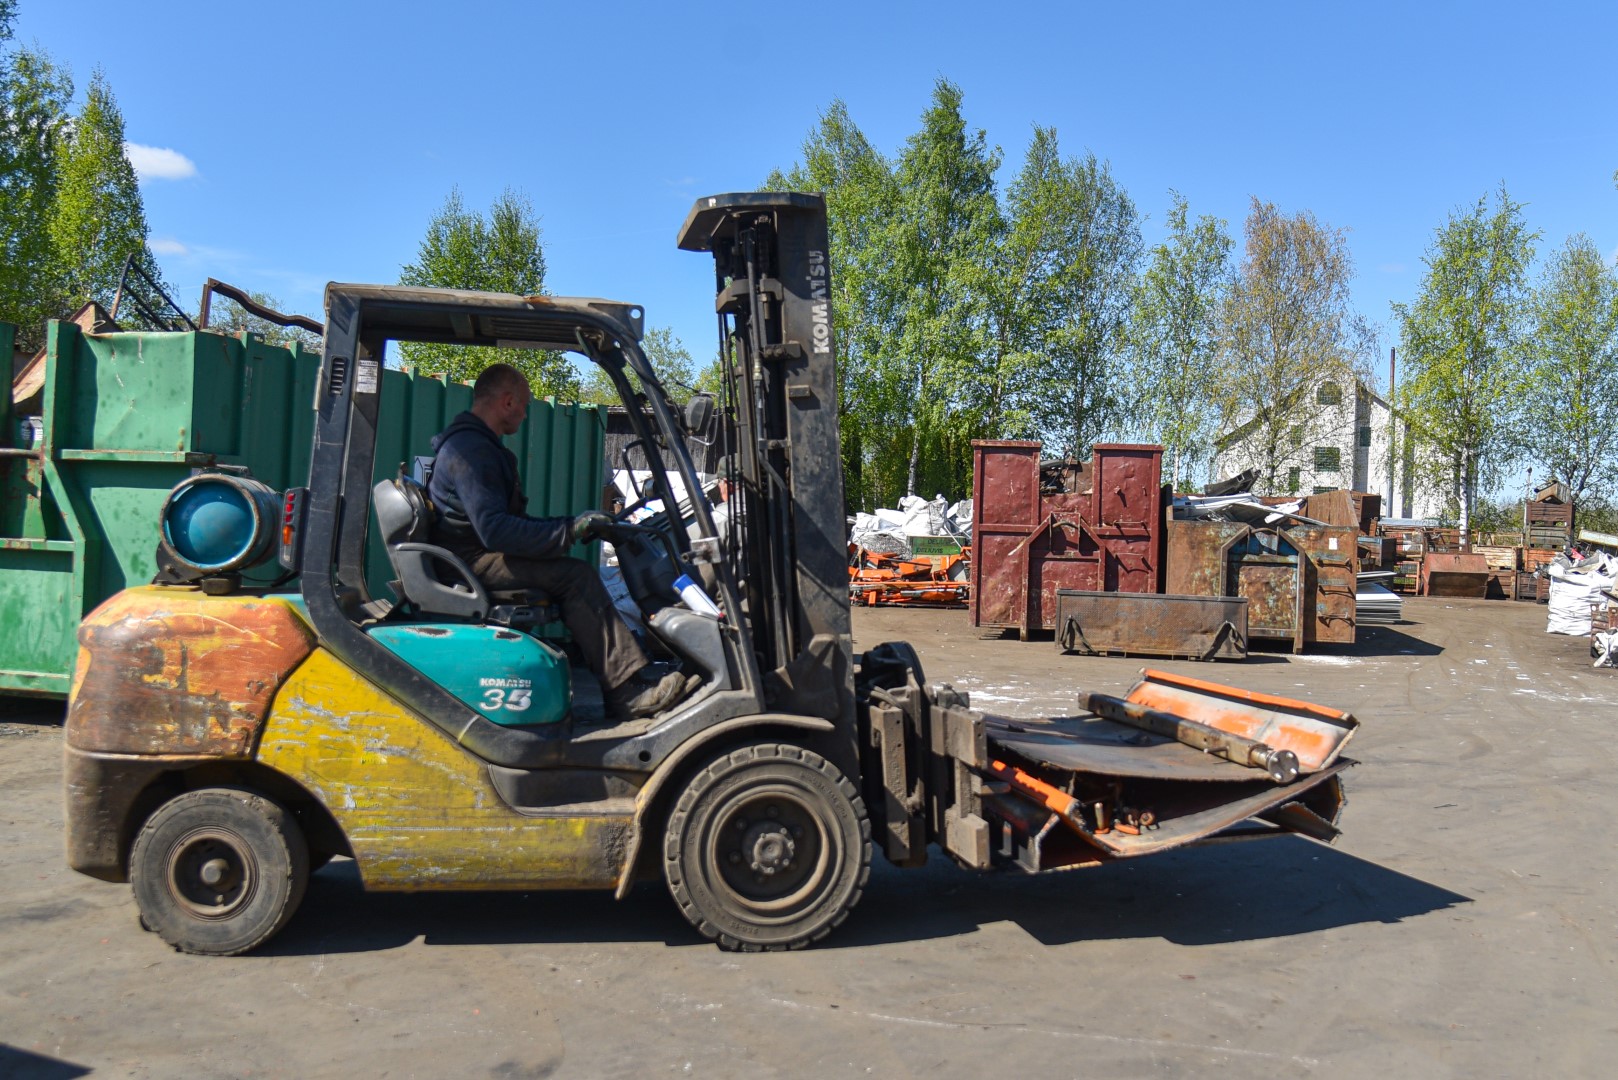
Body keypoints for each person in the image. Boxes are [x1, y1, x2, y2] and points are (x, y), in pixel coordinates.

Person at [427, 363, 686, 721]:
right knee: (576, 577)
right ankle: (626, 693)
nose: (524, 413)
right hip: (470, 561)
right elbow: (496, 531)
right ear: (507, 402)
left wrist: (572, 525)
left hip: (471, 554)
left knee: (575, 572)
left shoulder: (474, 444)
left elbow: (509, 524)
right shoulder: (472, 451)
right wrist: (569, 532)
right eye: (524, 405)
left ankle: (629, 680)